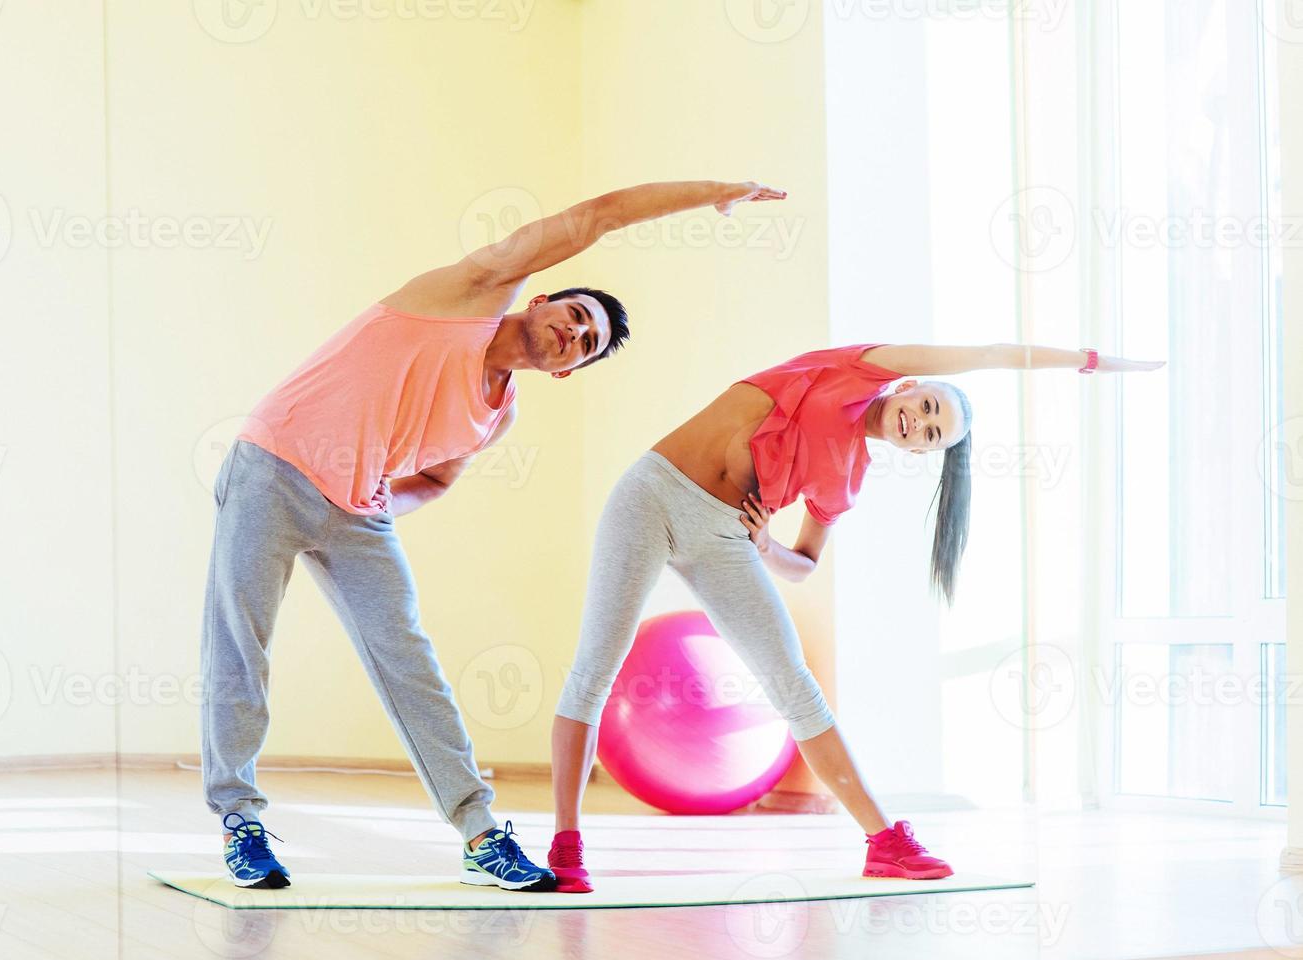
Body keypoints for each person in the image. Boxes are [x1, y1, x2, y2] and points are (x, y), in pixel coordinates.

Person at [201, 179, 789, 890]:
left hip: (357, 513)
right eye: (575, 314)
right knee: (242, 639)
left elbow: (438, 481)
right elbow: (596, 216)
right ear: (542, 301)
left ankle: (480, 833)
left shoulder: (497, 415)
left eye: (585, 341)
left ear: (568, 369)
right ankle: (241, 821)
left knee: (409, 660)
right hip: (274, 466)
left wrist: (381, 503)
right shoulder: (471, 293)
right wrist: (716, 194)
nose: (573, 331)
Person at [547, 342, 1164, 892]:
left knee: (795, 684)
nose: (919, 424)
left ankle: (884, 842)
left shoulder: (847, 477)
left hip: (726, 536)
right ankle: (567, 843)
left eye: (929, 436)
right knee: (596, 665)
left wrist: (766, 547)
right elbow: (988, 353)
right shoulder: (852, 369)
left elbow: (805, 563)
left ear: (916, 451)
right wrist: (1091, 361)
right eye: (926, 409)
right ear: (908, 386)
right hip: (651, 494)